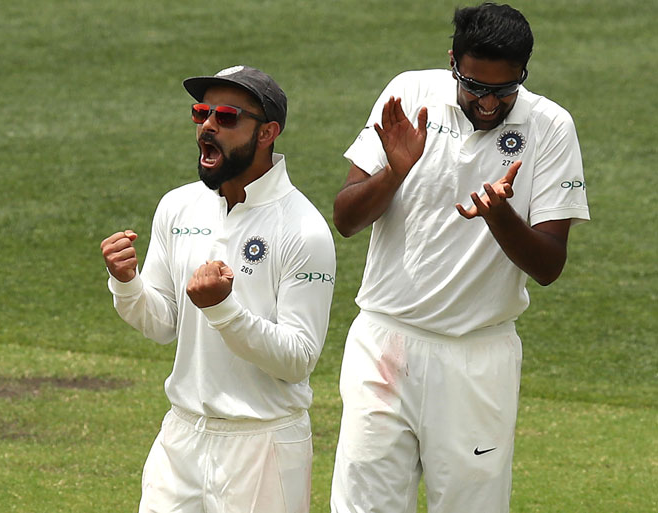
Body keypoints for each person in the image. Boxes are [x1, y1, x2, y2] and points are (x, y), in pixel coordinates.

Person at [330, 3, 589, 513]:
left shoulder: (550, 126)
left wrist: (500, 215)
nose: (489, 103)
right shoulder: (408, 92)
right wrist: (395, 172)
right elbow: (346, 219)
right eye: (475, 86)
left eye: (504, 90)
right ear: (453, 61)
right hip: (385, 345)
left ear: (523, 73)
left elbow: (549, 265)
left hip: (478, 357)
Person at [100, 65, 336, 513]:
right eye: (201, 113)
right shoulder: (178, 206)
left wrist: (225, 311)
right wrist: (126, 284)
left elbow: (298, 358)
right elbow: (162, 323)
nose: (208, 125)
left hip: (263, 444)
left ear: (267, 132)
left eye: (226, 117)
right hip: (182, 437)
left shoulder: (304, 230)